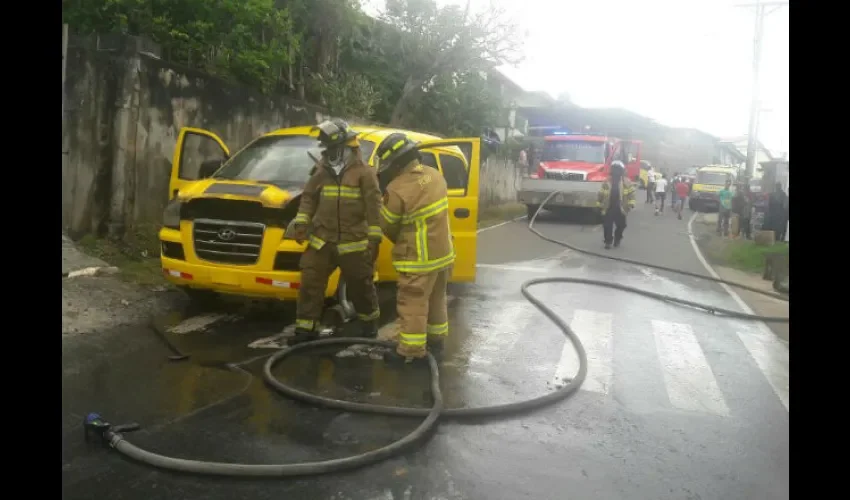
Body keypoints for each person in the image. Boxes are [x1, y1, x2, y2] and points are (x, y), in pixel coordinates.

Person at [288, 119, 383, 346]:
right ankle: (305, 330)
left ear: (347, 147)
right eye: (326, 149)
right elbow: (309, 197)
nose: (328, 153)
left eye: (332, 148)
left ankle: (369, 325)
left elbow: (374, 208)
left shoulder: (364, 173)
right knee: (310, 283)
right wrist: (302, 223)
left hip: (354, 242)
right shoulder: (321, 170)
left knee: (361, 285)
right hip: (321, 239)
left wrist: (374, 239)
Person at [375, 132, 454, 363]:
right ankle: (436, 342)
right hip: (442, 255)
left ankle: (410, 352)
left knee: (412, 304)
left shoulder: (397, 189)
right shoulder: (436, 176)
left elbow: (387, 225)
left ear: (397, 163)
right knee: (437, 299)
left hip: (418, 259)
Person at [597, 161, 636, 249]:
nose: (616, 172)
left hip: (621, 208)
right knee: (607, 225)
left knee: (622, 225)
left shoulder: (627, 182)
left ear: (621, 171)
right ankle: (608, 241)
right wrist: (598, 205)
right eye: (614, 169)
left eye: (618, 170)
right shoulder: (607, 182)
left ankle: (617, 238)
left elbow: (632, 194)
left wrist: (631, 204)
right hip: (608, 207)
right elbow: (601, 194)